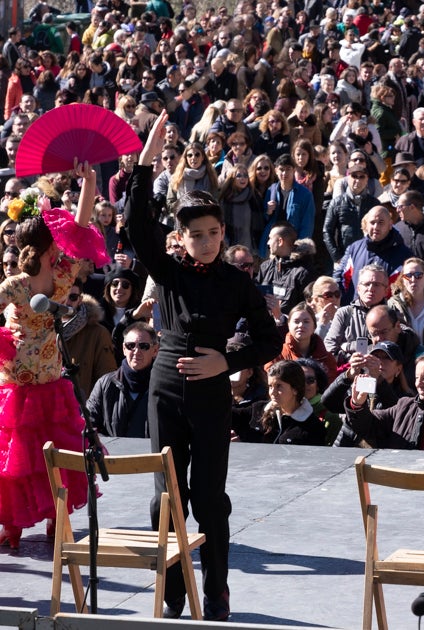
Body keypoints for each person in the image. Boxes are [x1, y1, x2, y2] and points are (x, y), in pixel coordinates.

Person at [126, 114, 281, 621]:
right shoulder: (166, 271)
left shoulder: (237, 282)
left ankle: (217, 590)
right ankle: (172, 590)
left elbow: (269, 337)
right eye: (198, 234)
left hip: (212, 393)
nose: (209, 241)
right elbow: (136, 226)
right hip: (166, 388)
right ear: (183, 237)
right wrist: (146, 162)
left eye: (215, 232)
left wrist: (227, 360)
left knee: (210, 497)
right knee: (165, 498)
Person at [0, 160, 107, 550]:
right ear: (51, 244)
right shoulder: (59, 275)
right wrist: (90, 183)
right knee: (41, 454)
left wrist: (90, 183)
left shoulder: (23, 283)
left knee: (23, 458)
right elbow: (78, 230)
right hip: (36, 380)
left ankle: (26, 525)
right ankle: (40, 521)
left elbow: (75, 230)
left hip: (30, 380)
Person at [344, 350, 424, 450]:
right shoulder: (404, 407)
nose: (418, 384)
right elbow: (368, 426)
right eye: (416, 378)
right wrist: (357, 404)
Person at [87, 322, 159, 438]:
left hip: (151, 454)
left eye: (144, 346)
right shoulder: (104, 384)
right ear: (124, 349)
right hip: (113, 454)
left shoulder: (163, 386)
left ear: (155, 350)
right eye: (131, 345)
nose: (136, 351)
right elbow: (88, 425)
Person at [231, 360, 327, 445]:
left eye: (279, 386)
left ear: (295, 389)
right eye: (270, 386)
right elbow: (225, 415)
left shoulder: (314, 428)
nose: (272, 392)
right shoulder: (257, 409)